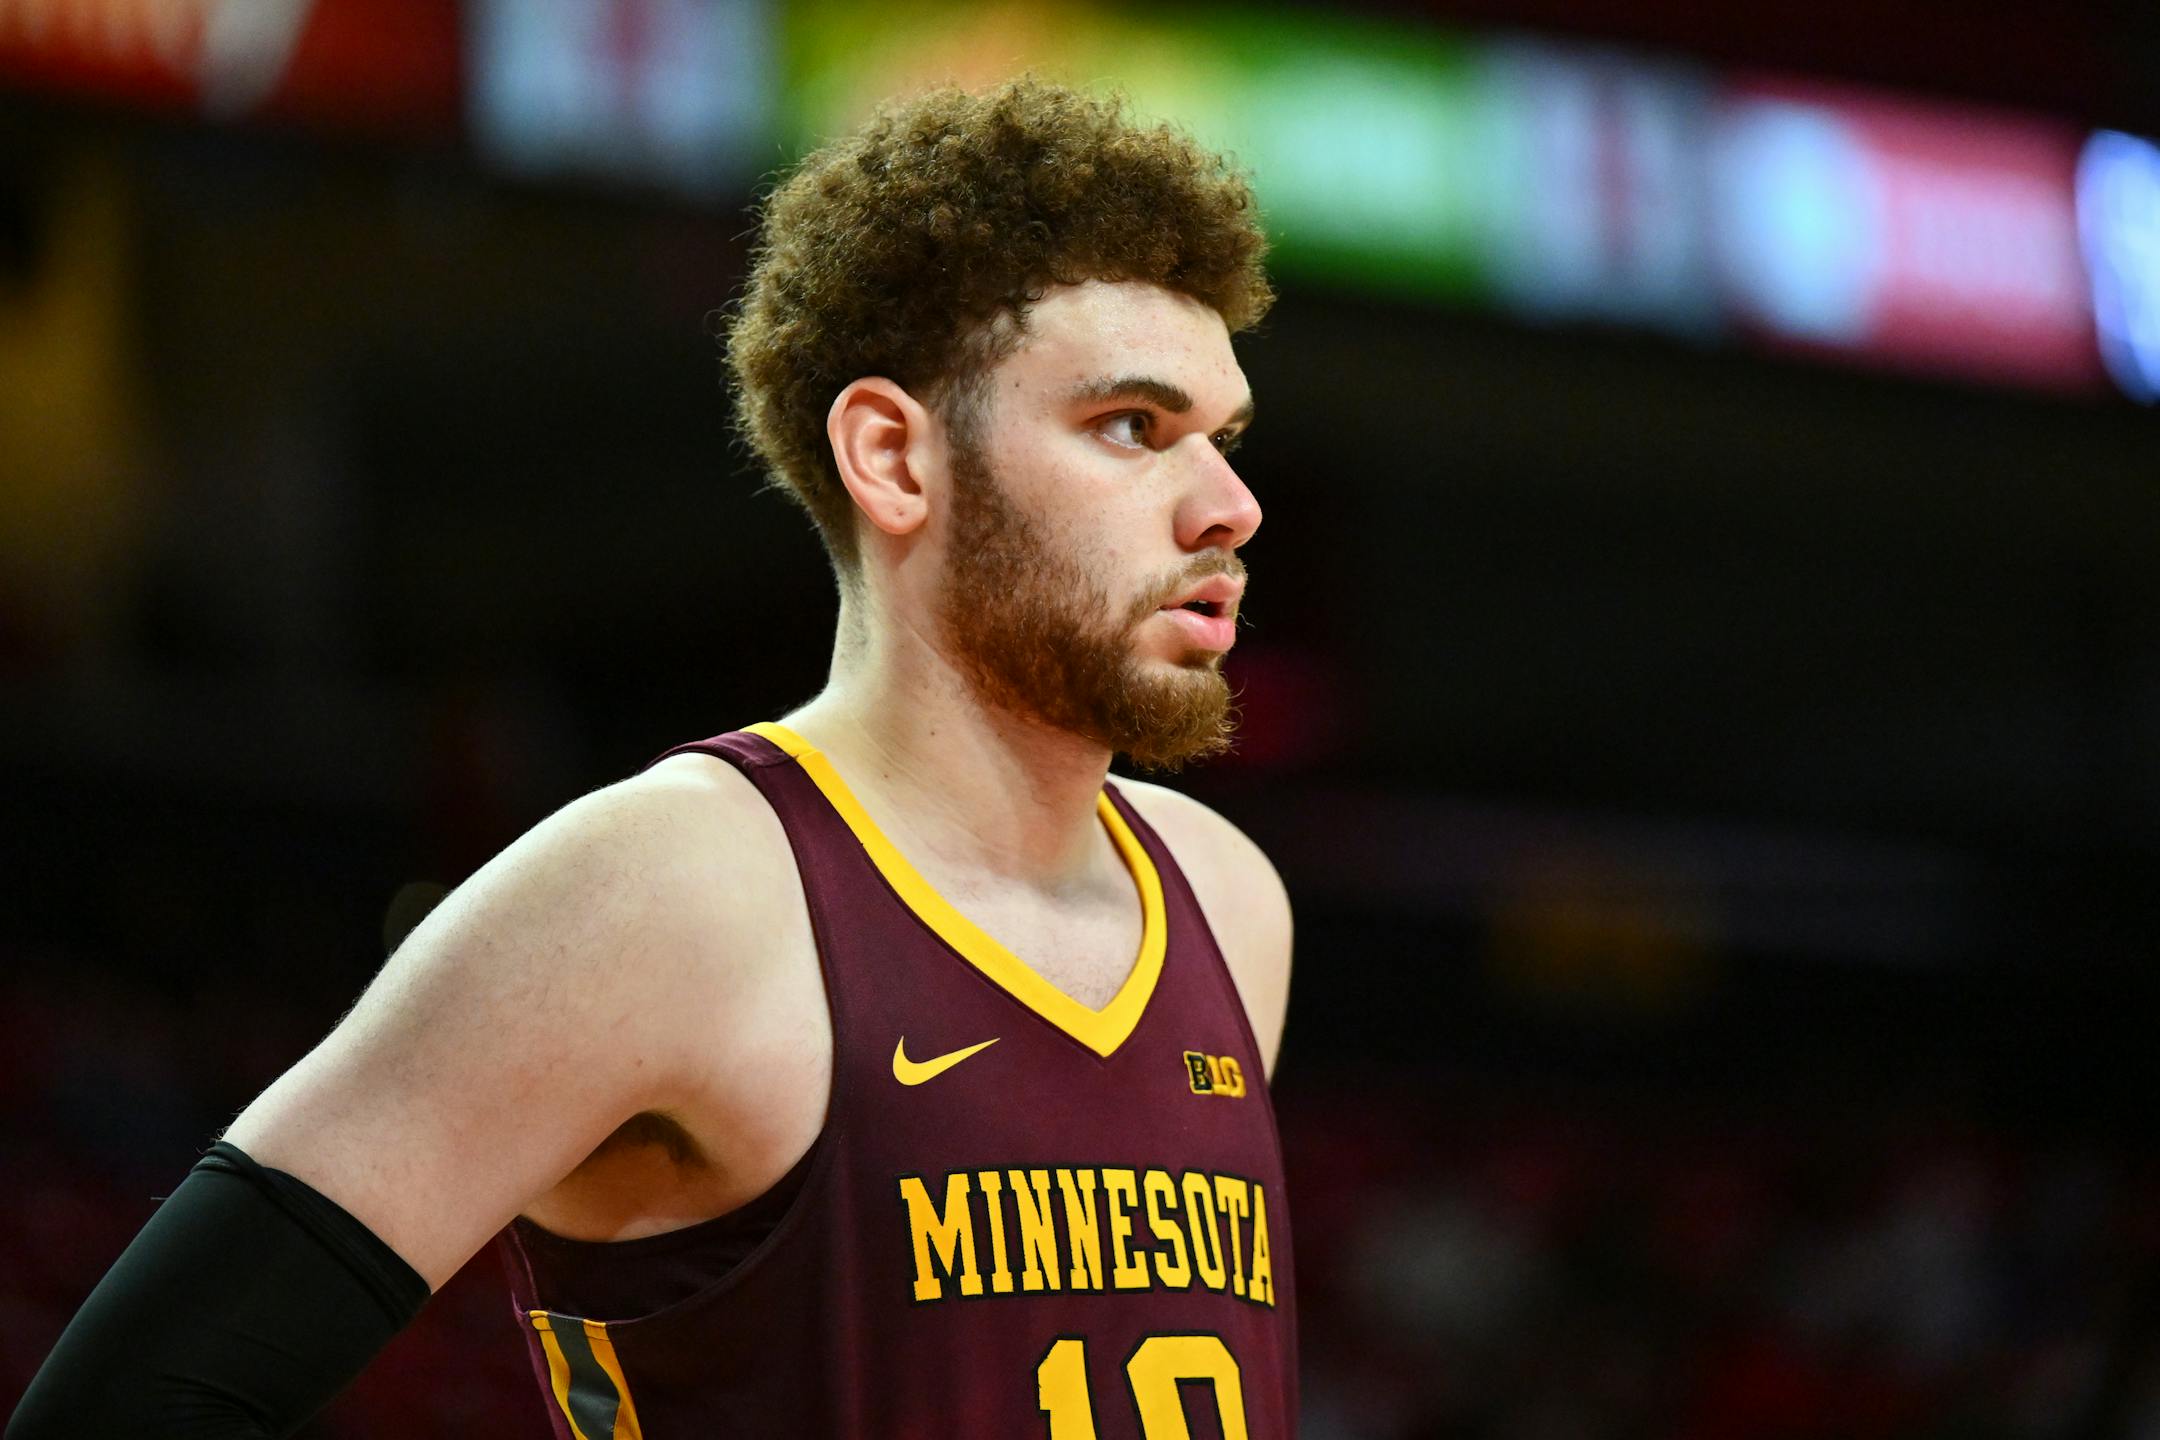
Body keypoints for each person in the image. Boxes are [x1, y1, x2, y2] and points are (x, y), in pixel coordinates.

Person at [8, 77, 1294, 1438]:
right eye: (1132, 429)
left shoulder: (1229, 899)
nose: (1230, 505)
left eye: (1225, 439)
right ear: (894, 459)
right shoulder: (671, 886)